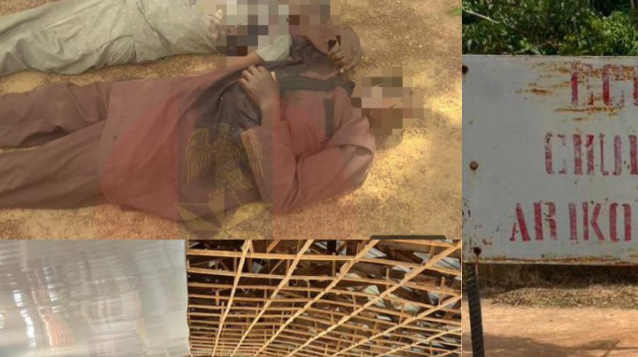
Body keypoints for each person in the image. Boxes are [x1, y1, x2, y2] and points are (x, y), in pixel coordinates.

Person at [0, 35, 420, 233]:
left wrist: (270, 106)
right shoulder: (333, 70)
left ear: (391, 118)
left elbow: (285, 194)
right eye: (391, 82)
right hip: (162, 98)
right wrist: (340, 36)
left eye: (395, 96)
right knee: (43, 105)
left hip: (166, 148)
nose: (386, 87)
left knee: (33, 171)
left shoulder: (356, 146)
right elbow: (296, 23)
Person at [0, 0, 360, 78]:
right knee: (33, 22)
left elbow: (228, 67)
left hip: (135, 31)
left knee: (37, 46)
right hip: (133, 5)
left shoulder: (277, 41)